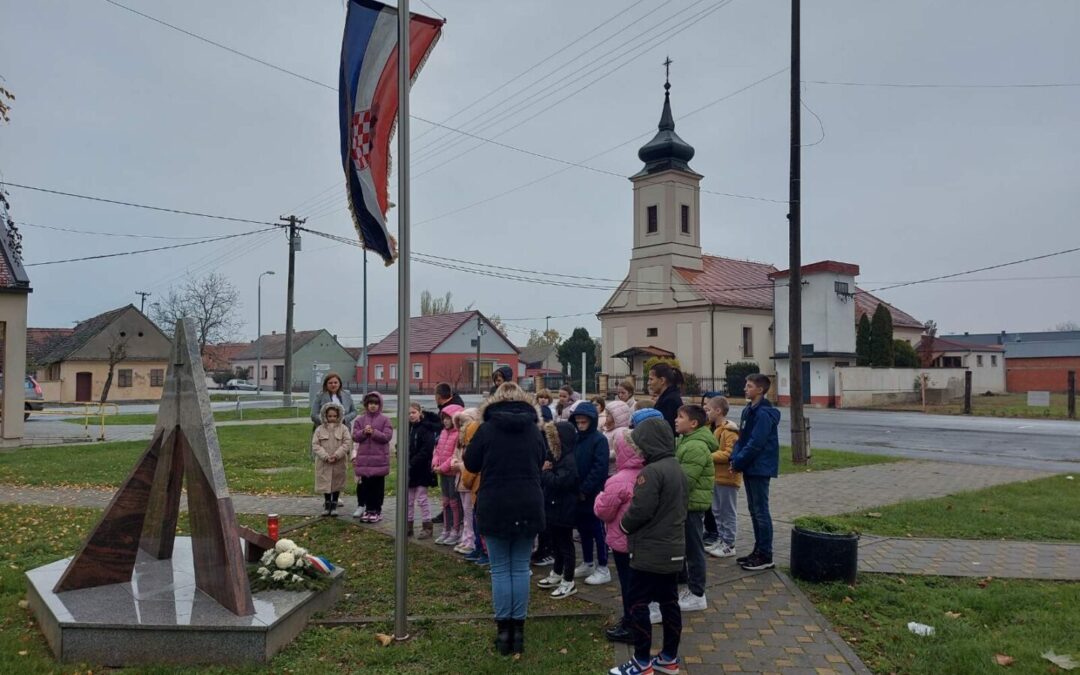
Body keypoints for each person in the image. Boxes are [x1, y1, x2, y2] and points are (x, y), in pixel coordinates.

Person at [464, 383, 546, 656]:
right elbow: (541, 460)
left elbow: (472, 464)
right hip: (528, 500)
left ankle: (503, 633)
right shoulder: (534, 430)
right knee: (521, 568)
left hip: (495, 501)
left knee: (500, 569)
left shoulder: (486, 429)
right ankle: (518, 632)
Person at [611, 416, 688, 675]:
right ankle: (669, 657)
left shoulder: (651, 472)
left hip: (650, 549)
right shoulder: (676, 466)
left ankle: (641, 662)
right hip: (673, 548)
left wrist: (623, 527)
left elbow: (640, 510)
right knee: (669, 602)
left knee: (637, 602)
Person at [593, 423, 644, 644]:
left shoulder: (618, 480)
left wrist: (598, 498)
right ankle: (634, 619)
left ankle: (631, 625)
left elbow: (604, 511)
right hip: (644, 541)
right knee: (639, 584)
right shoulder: (649, 473)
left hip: (623, 540)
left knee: (627, 583)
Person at [730, 373, 781, 571]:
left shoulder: (763, 414)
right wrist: (735, 458)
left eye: (749, 385)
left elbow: (756, 444)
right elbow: (741, 439)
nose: (745, 388)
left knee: (761, 511)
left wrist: (739, 461)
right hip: (749, 465)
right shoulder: (748, 410)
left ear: (760, 390)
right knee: (753, 510)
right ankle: (758, 550)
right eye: (746, 384)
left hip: (759, 467)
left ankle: (766, 554)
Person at [673, 404, 717, 613]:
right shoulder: (685, 440)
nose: (675, 420)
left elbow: (685, 480)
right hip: (686, 504)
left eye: (680, 417)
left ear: (693, 423)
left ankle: (698, 593)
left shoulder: (695, 447)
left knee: (694, 549)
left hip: (691, 504)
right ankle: (689, 586)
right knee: (687, 546)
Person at [536, 421, 580, 599]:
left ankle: (568, 580)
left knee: (565, 545)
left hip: (564, 509)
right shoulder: (555, 457)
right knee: (556, 544)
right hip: (553, 506)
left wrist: (544, 473)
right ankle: (557, 572)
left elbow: (560, 481)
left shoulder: (569, 461)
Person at [569, 402, 612, 585]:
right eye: (577, 420)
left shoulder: (599, 439)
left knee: (597, 530)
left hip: (593, 494)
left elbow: (599, 468)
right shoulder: (576, 439)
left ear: (591, 420)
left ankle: (603, 566)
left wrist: (586, 489)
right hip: (577, 494)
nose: (580, 423)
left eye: (583, 420)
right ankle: (588, 561)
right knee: (583, 529)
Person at [705, 396, 741, 558]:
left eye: (708, 409)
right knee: (717, 511)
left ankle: (729, 543)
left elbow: (729, 454)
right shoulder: (712, 428)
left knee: (727, 512)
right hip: (715, 477)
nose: (706, 412)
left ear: (718, 411)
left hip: (727, 478)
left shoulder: (729, 431)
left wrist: (707, 455)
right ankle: (721, 539)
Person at [351, 392, 393, 522]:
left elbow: (387, 436)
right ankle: (368, 509)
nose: (373, 406)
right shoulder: (360, 420)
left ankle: (377, 510)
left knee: (378, 488)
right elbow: (355, 436)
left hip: (379, 460)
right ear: (366, 405)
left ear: (379, 405)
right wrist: (364, 432)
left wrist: (374, 432)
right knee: (366, 487)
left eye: (375, 403)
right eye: (370, 403)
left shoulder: (385, 420)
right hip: (365, 461)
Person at [406, 402, 441, 539]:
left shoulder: (426, 428)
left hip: (422, 469)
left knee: (422, 499)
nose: (411, 416)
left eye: (413, 412)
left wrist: (413, 462)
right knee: (408, 500)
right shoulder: (408, 428)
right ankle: (408, 525)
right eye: (408, 413)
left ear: (420, 412)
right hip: (409, 470)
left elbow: (427, 449)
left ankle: (427, 526)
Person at [432, 404, 465, 546]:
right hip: (442, 473)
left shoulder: (459, 434)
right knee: (445, 501)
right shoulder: (444, 432)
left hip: (452, 473)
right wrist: (435, 463)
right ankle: (446, 528)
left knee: (454, 502)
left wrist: (443, 467)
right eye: (444, 418)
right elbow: (437, 450)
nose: (445, 421)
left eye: (448, 418)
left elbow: (455, 455)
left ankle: (456, 530)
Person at [450, 408, 481, 555]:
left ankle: (471, 540)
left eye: (465, 422)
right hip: (460, 481)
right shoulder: (460, 441)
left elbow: (472, 463)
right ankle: (466, 537)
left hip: (469, 482)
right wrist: (454, 461)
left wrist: (460, 466)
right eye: (460, 423)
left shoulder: (474, 442)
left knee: (470, 513)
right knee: (465, 513)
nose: (462, 426)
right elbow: (455, 455)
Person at [312, 402, 350, 517]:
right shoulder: (319, 429)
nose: (332, 418)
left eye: (334, 416)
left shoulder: (343, 428)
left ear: (339, 416)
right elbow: (315, 444)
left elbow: (347, 442)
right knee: (325, 482)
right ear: (325, 416)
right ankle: (327, 502)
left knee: (336, 482)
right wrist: (325, 456)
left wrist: (337, 455)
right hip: (324, 462)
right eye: (330, 416)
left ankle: (334, 503)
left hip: (338, 461)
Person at [647, 363, 684, 433]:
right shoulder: (667, 398)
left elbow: (665, 430)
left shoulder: (670, 401)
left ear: (662, 380)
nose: (648, 383)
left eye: (651, 379)